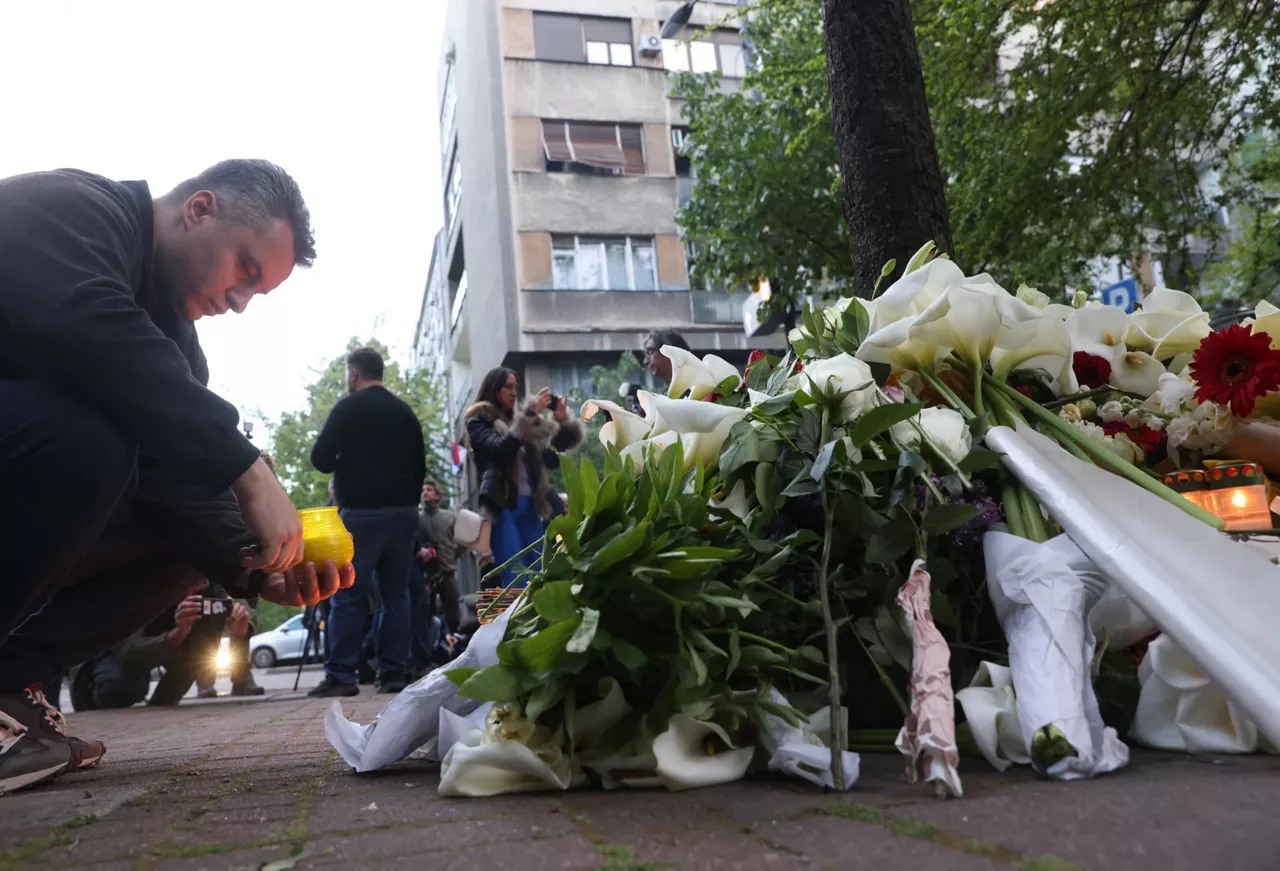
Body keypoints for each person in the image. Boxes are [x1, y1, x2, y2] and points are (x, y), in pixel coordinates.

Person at [0, 160, 356, 795]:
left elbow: (179, 481)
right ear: (199, 209)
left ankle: (7, 685)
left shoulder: (179, 348)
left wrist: (257, 565)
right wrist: (245, 466)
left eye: (258, 294)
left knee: (193, 540)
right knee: (88, 444)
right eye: (245, 269)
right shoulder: (74, 207)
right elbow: (85, 326)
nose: (240, 303)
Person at [308, 348, 426, 697]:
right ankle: (393, 672)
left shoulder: (347, 409)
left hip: (360, 513)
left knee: (348, 594)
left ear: (354, 373)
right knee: (396, 594)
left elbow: (320, 459)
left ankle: (342, 675)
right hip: (403, 513)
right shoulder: (404, 413)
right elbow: (420, 466)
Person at [465, 368, 583, 590]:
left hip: (531, 506)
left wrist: (560, 422)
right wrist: (529, 415)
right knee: (516, 576)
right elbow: (500, 449)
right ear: (494, 388)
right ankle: (517, 623)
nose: (513, 392)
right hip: (502, 506)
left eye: (515, 387)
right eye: (507, 386)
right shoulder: (478, 420)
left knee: (539, 573)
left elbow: (550, 460)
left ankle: (539, 624)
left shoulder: (522, 422)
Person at [68, 586, 256, 710]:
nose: (197, 587)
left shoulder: (210, 579)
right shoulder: (142, 580)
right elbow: (128, 653)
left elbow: (241, 602)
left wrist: (241, 626)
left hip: (160, 637)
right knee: (121, 688)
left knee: (204, 638)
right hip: (113, 647)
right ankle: (90, 698)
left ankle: (164, 698)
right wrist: (178, 633)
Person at [410, 478, 461, 676]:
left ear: (437, 495)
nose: (425, 493)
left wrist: (452, 556)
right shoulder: (418, 519)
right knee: (426, 615)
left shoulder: (449, 517)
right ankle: (430, 653)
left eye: (430, 490)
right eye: (423, 490)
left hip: (447, 571)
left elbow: (462, 540)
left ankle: (456, 648)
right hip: (426, 573)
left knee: (453, 611)